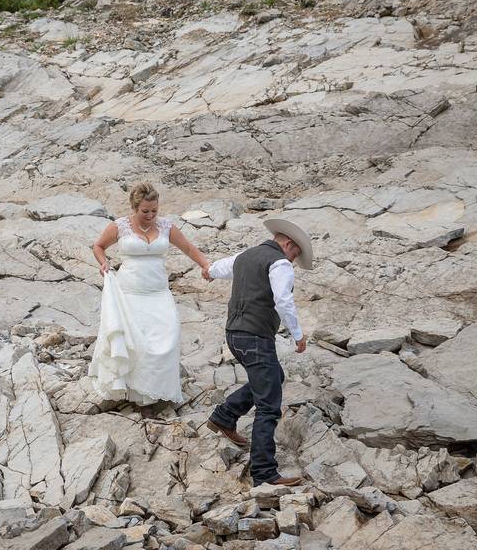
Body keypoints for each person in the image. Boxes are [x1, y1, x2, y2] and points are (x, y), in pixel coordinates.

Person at [204, 218, 314, 487]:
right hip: (256, 337)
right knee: (269, 407)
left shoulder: (245, 256)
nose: (294, 259)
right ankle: (264, 472)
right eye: (295, 254)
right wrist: (298, 335)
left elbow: (216, 268)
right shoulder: (280, 264)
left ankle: (224, 416)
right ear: (288, 244)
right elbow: (283, 301)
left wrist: (207, 272)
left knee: (272, 376)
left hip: (234, 334)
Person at [89, 183, 211, 405]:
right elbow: (98, 246)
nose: (150, 215)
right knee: (136, 340)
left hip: (158, 291)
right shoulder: (120, 226)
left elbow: (189, 249)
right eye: (145, 211)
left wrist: (206, 266)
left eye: (154, 210)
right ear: (134, 207)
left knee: (168, 335)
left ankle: (155, 391)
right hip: (130, 292)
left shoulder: (166, 227)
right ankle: (133, 391)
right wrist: (104, 263)